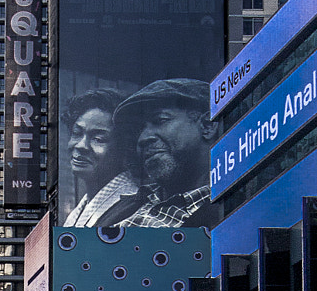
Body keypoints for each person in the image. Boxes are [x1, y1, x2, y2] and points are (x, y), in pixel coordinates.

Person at [69, 79, 215, 229]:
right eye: (139, 130)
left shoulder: (229, 206)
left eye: (160, 120)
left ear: (207, 126)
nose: (143, 138)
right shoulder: (128, 205)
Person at [62, 91, 124, 218]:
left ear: (124, 147)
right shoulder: (80, 209)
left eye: (98, 139)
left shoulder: (130, 208)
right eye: (76, 133)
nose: (81, 146)